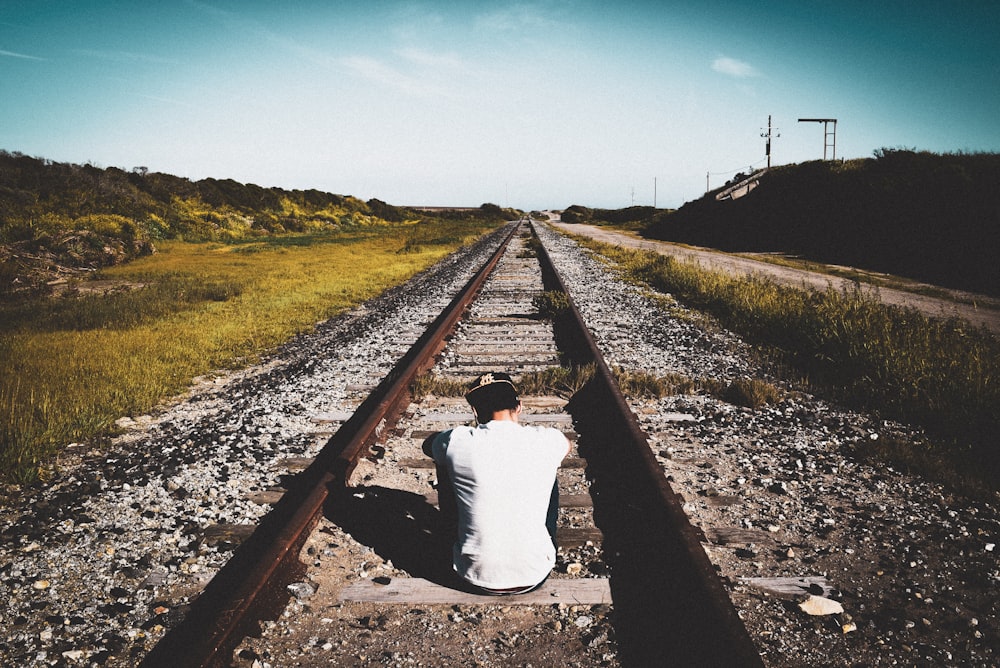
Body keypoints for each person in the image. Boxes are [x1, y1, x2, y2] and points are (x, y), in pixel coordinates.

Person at [423, 372, 570, 595]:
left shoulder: (456, 440)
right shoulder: (547, 439)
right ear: (519, 406)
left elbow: (428, 445)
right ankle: (541, 541)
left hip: (471, 576)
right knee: (548, 468)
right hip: (535, 573)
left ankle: (453, 537)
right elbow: (567, 446)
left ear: (475, 411)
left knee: (446, 464)